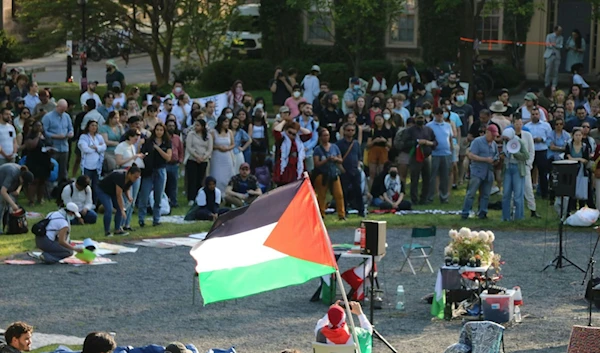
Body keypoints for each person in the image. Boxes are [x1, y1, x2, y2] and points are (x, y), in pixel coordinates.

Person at [461, 125, 500, 219]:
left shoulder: (494, 144)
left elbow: (495, 155)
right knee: (471, 193)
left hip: (489, 171)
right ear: (488, 132)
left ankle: (483, 212)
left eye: (495, 135)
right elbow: (471, 155)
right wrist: (485, 159)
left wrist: (496, 160)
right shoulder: (477, 142)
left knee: (486, 194)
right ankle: (465, 212)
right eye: (493, 135)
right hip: (477, 171)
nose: (494, 137)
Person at [138, 122, 172, 227]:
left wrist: (158, 148)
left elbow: (168, 157)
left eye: (161, 130)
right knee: (144, 195)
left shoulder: (167, 142)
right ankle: (141, 219)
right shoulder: (149, 141)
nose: (159, 132)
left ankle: (156, 219)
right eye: (157, 130)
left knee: (158, 196)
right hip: (149, 170)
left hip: (161, 170)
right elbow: (141, 153)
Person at [114, 129, 144, 231]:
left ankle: (127, 223)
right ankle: (121, 223)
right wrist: (133, 157)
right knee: (126, 199)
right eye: (135, 137)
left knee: (132, 199)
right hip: (125, 173)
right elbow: (119, 162)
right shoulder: (121, 146)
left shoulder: (132, 147)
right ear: (130, 136)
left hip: (134, 173)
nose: (137, 139)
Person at [97, 166, 141, 236]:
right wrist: (122, 210)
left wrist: (129, 197)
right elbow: (119, 195)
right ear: (129, 174)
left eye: (137, 177)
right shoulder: (120, 177)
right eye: (135, 177)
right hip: (103, 190)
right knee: (109, 209)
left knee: (120, 208)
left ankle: (117, 230)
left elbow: (127, 188)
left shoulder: (131, 180)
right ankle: (107, 231)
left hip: (112, 192)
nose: (136, 179)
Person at [313, 128, 345, 220]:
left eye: (327, 135)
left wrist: (335, 159)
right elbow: (316, 164)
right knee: (321, 195)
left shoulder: (334, 147)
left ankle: (341, 214)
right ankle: (321, 214)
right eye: (324, 135)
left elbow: (341, 160)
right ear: (320, 137)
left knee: (339, 194)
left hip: (333, 173)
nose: (326, 137)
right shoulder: (317, 149)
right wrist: (326, 160)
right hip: (322, 174)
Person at [403, 115, 435, 204]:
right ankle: (414, 199)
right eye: (418, 118)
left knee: (427, 178)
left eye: (422, 118)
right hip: (415, 157)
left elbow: (435, 142)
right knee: (414, 178)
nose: (420, 120)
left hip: (426, 156)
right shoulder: (410, 130)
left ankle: (424, 199)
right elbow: (405, 143)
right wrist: (417, 142)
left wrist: (428, 143)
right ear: (415, 119)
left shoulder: (428, 130)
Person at [511, 117, 538, 218]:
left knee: (528, 188)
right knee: (513, 189)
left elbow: (531, 151)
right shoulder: (510, 136)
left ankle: (533, 209)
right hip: (514, 164)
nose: (518, 126)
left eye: (520, 124)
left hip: (525, 164)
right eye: (517, 124)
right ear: (513, 124)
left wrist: (529, 163)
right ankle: (512, 210)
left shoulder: (527, 135)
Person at [500, 128, 529, 221]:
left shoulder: (519, 141)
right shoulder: (504, 143)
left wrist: (515, 152)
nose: (505, 141)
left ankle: (519, 217)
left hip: (517, 168)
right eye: (504, 139)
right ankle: (505, 217)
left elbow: (526, 156)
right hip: (507, 168)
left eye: (507, 139)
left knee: (518, 195)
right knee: (506, 194)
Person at [42, 99, 74, 182]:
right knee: (53, 167)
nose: (63, 111)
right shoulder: (48, 117)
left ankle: (62, 184)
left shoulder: (67, 116)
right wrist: (55, 136)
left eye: (64, 109)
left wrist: (70, 133)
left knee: (63, 168)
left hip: (64, 147)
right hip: (53, 147)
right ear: (57, 106)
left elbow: (71, 128)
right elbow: (44, 131)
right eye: (61, 109)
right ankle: (51, 185)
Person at [337, 123, 364, 217]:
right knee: (344, 192)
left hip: (355, 170)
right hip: (344, 170)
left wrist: (358, 166)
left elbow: (359, 156)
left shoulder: (356, 143)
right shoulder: (339, 144)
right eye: (348, 130)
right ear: (344, 131)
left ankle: (361, 210)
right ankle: (344, 212)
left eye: (352, 130)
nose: (350, 132)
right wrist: (341, 168)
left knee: (358, 191)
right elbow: (337, 157)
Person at [272, 120, 312, 186]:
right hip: (285, 167)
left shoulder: (298, 140)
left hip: (296, 167)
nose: (291, 135)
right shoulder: (282, 138)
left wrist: (298, 127)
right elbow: (276, 131)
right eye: (289, 132)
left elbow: (308, 134)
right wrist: (284, 121)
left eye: (293, 134)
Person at [426, 107, 453, 203]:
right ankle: (430, 197)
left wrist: (451, 152)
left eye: (441, 113)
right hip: (434, 153)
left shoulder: (448, 126)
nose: (439, 115)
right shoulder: (429, 126)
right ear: (434, 115)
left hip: (446, 153)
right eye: (437, 113)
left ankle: (444, 197)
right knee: (432, 176)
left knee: (445, 176)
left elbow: (450, 140)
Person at [525, 107, 552, 199]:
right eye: (533, 114)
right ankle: (528, 194)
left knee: (543, 173)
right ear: (530, 115)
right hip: (530, 151)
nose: (535, 116)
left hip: (542, 151)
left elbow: (550, 138)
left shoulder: (546, 125)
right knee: (529, 173)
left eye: (536, 114)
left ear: (539, 115)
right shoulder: (527, 126)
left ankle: (544, 193)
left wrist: (542, 139)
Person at [185, 119, 212, 206]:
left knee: (201, 180)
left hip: (203, 160)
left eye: (198, 125)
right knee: (192, 179)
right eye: (195, 125)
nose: (196, 127)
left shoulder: (208, 136)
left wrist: (203, 157)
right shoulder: (191, 134)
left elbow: (209, 149)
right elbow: (189, 146)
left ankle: (199, 197)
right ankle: (191, 198)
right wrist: (196, 156)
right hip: (192, 159)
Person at [24, 121, 52, 206]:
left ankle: (40, 199)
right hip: (34, 161)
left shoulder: (46, 136)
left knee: (42, 181)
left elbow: (50, 144)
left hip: (44, 161)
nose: (39, 128)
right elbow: (31, 146)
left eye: (41, 126)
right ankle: (31, 200)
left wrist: (51, 149)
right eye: (37, 126)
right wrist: (37, 137)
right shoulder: (30, 136)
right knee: (34, 181)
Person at [78, 120, 106, 204]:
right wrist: (97, 148)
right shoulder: (84, 137)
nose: (94, 127)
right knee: (85, 184)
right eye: (92, 125)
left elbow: (104, 147)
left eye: (95, 126)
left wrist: (95, 147)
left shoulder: (99, 137)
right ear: (88, 127)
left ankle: (94, 203)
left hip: (97, 165)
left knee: (96, 185)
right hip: (87, 164)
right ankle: (84, 202)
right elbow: (85, 149)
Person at [566, 128, 593, 210]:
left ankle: (584, 207)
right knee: (571, 190)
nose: (578, 137)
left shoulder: (585, 147)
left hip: (582, 171)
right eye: (576, 135)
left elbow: (585, 160)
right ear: (573, 136)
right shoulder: (569, 145)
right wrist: (579, 159)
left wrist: (577, 159)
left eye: (579, 135)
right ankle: (571, 208)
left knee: (585, 189)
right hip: (571, 170)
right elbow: (568, 157)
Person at [210, 116, 236, 193]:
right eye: (225, 122)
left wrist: (228, 148)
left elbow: (233, 144)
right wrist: (218, 147)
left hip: (227, 156)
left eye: (228, 122)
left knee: (228, 175)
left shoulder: (230, 132)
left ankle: (227, 192)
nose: (227, 124)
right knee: (217, 175)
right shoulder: (213, 132)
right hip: (217, 156)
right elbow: (210, 145)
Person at [366, 114, 392, 190]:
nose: (378, 121)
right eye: (376, 120)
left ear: (383, 120)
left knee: (382, 172)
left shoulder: (387, 131)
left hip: (383, 151)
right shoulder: (372, 131)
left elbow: (390, 145)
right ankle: (371, 191)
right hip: (373, 150)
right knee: (372, 173)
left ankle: (382, 190)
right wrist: (374, 141)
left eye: (380, 119)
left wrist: (385, 141)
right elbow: (368, 145)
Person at [165, 119, 183, 208]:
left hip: (174, 164)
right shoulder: (163, 138)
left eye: (173, 126)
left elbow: (181, 150)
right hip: (165, 164)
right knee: (164, 184)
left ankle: (174, 202)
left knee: (174, 184)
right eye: (169, 126)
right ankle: (164, 201)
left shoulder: (177, 138)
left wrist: (180, 160)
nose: (171, 127)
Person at [295, 103, 319, 172]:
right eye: (307, 108)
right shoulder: (295, 121)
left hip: (308, 152)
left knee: (309, 172)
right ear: (302, 109)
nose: (309, 110)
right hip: (296, 151)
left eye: (311, 109)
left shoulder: (314, 124)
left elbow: (315, 139)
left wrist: (307, 148)